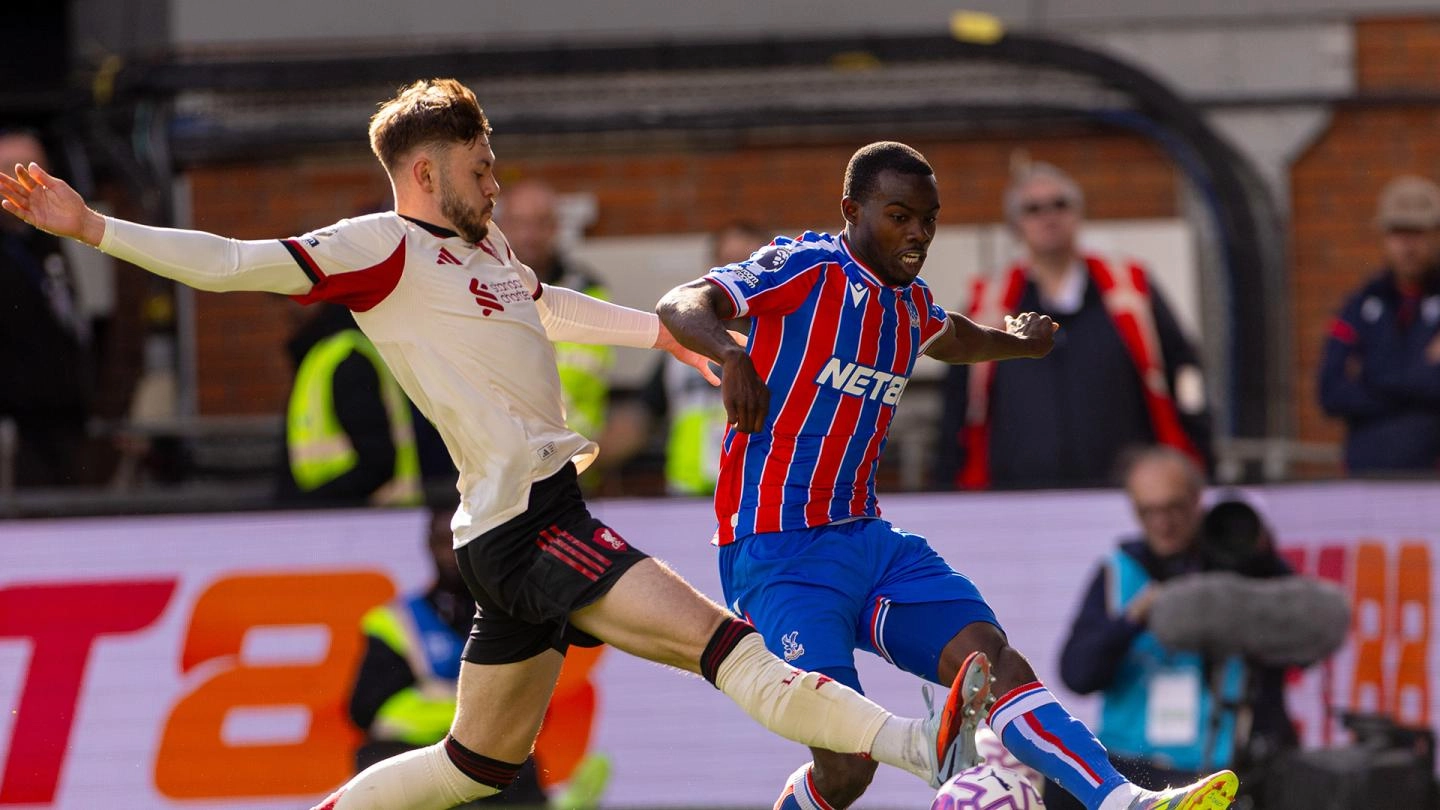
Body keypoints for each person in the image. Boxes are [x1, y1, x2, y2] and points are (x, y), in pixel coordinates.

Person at [0, 78, 979, 810]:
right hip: (530, 525)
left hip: (503, 535)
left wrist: (671, 337)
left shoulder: (490, 252)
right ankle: (941, 754)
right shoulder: (383, 246)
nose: (497, 178)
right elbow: (234, 264)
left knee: (476, 767)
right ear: (426, 172)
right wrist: (91, 227)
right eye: (481, 165)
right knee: (735, 651)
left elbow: (547, 308)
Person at [656, 141, 1238, 810]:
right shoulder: (806, 269)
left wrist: (1018, 342)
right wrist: (731, 356)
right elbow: (682, 302)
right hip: (777, 550)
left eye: (929, 219)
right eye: (899, 216)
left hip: (867, 541)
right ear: (852, 210)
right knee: (846, 767)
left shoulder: (909, 305)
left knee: (987, 657)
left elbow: (951, 335)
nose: (917, 235)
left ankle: (1120, 801)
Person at [931, 161, 1212, 491]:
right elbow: (958, 399)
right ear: (1016, 225)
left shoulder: (1131, 290)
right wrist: (947, 482)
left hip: (1125, 490)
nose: (1049, 216)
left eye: (1060, 204)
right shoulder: (989, 304)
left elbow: (1184, 370)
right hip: (1016, 498)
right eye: (1033, 209)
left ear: (1078, 214)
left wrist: (1200, 446)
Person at [1051, 447, 1297, 810]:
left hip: (1220, 769)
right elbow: (1076, 675)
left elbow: (1300, 637)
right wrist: (1133, 619)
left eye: (1173, 508)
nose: (1163, 523)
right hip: (1130, 765)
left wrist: (1260, 560)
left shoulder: (1238, 565)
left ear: (1198, 501)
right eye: (1149, 512)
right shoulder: (1118, 572)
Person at [348, 495, 549, 807]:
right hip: (409, 750)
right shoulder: (394, 621)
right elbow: (363, 710)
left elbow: (534, 701)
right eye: (443, 541)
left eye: (460, 542)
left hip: (487, 750)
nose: (451, 553)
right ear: (428, 546)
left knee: (521, 767)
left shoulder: (511, 614)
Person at [603, 220, 769, 495]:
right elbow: (641, 416)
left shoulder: (791, 343)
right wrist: (583, 455)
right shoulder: (681, 343)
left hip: (760, 501)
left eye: (748, 266)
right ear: (711, 270)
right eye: (728, 264)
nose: (738, 278)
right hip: (686, 503)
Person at [1318, 174, 1440, 475]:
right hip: (1366, 475)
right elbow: (1330, 392)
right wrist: (1420, 374)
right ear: (1384, 237)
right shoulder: (1359, 306)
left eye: (1418, 233)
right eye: (1399, 233)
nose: (1408, 246)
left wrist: (1372, 379)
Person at [0, 128, 92, 487]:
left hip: (65, 418)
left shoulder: (52, 241)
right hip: (14, 427)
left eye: (32, 173)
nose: (23, 185)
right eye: (9, 171)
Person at [498, 180, 612, 442]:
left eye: (540, 223)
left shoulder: (587, 290)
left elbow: (582, 374)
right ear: (501, 227)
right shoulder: (478, 287)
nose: (529, 235)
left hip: (575, 456)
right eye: (519, 223)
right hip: (503, 459)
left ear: (556, 227)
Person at [279, 301, 424, 506]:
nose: (288, 306)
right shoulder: (323, 354)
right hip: (352, 524)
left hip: (375, 525)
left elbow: (377, 464)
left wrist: (304, 505)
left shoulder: (347, 358)